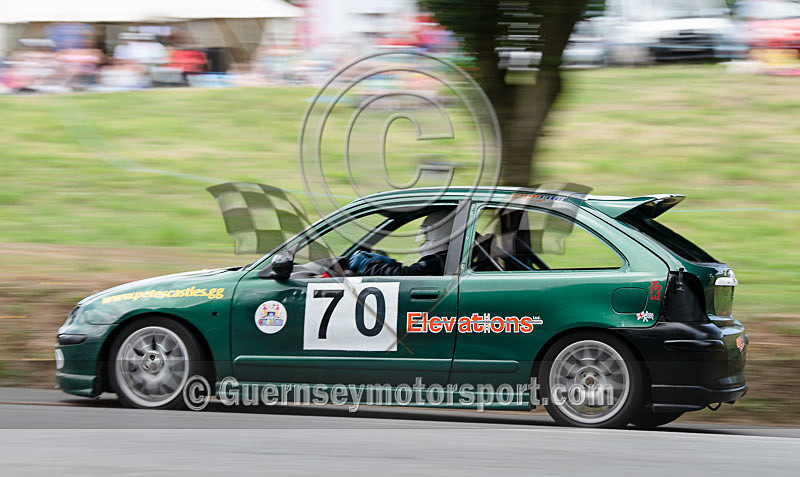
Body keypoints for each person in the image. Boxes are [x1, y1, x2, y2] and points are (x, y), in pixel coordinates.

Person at [348, 210, 453, 276]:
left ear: (442, 234)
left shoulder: (439, 262)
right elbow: (413, 271)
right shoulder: (449, 259)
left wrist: (366, 264)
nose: (422, 245)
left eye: (426, 237)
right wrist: (391, 263)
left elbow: (406, 276)